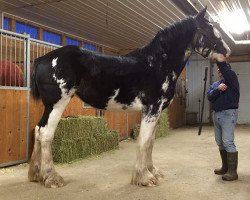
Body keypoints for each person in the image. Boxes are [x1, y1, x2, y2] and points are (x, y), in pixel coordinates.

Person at [207, 55, 240, 181]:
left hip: (228, 114)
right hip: (217, 115)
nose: (220, 72)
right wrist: (218, 89)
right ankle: (225, 167)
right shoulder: (216, 84)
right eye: (219, 70)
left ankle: (233, 172)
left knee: (228, 142)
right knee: (220, 142)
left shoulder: (232, 79)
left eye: (222, 70)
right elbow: (210, 97)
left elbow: (225, 69)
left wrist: (218, 58)